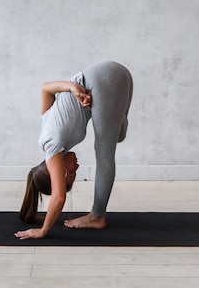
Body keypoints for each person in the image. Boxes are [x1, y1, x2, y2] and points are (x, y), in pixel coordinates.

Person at [15, 61, 133, 240]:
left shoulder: (51, 145)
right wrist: (73, 89)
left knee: (104, 152)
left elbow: (59, 197)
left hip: (99, 79)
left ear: (60, 172)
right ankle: (107, 103)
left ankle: (97, 216)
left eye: (71, 173)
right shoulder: (46, 126)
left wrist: (43, 231)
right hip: (117, 73)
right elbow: (46, 89)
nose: (77, 168)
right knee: (119, 136)